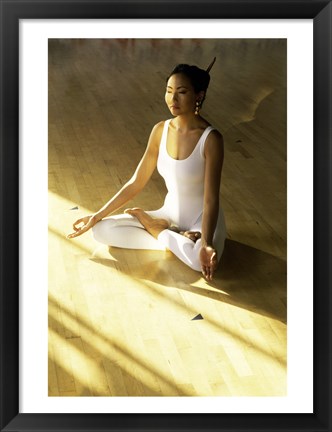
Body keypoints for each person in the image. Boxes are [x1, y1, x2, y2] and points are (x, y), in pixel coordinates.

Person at [67, 58, 226, 281]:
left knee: (197, 261)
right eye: (169, 90)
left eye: (182, 92)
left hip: (203, 220)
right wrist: (97, 215)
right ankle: (172, 236)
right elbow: (136, 182)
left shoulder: (211, 139)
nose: (173, 98)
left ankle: (160, 232)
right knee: (100, 231)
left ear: (198, 95)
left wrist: (207, 243)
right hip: (169, 214)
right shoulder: (160, 130)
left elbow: (211, 201)